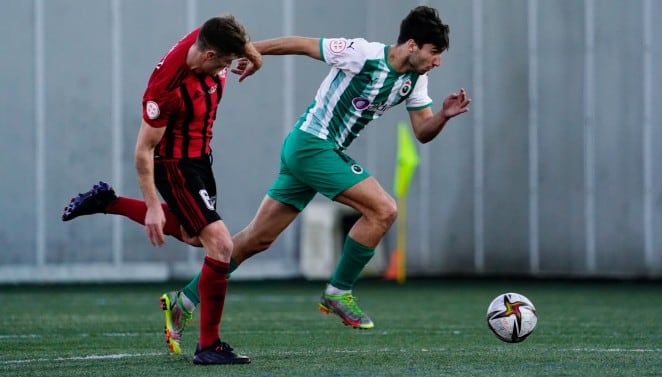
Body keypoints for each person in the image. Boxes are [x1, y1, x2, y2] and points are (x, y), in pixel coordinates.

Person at [64, 5, 471, 355]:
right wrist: (254, 54)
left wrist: (443, 117)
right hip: (311, 145)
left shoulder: (416, 80)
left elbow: (422, 131)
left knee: (251, 240)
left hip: (316, 154)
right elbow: (301, 43)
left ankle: (183, 302)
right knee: (383, 209)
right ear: (412, 44)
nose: (438, 61)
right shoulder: (363, 53)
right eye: (435, 52)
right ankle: (338, 293)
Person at [62, 14, 262, 365]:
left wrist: (254, 57)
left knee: (193, 235)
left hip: (201, 159)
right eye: (226, 63)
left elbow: (228, 28)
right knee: (221, 244)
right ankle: (208, 346)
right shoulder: (165, 89)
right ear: (209, 55)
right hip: (176, 166)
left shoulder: (209, 37)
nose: (229, 68)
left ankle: (109, 202)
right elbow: (143, 151)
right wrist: (153, 205)